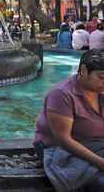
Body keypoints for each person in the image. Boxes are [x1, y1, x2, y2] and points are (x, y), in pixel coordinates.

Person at [33, 49, 104, 191]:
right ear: (83, 70)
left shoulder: (100, 91)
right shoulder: (62, 94)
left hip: (96, 143)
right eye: (102, 77)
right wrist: (101, 163)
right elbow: (63, 140)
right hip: (60, 149)